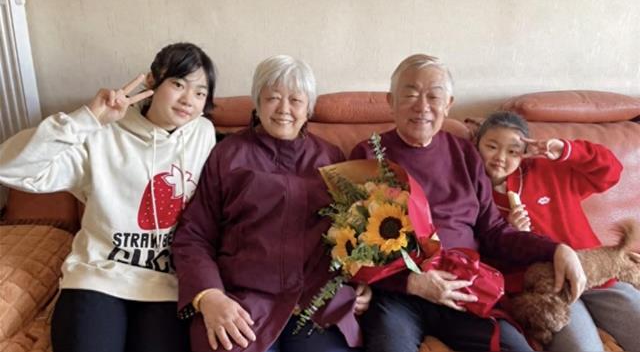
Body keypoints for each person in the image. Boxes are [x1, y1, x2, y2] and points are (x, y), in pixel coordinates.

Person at [349, 54, 587, 352]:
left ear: (448, 104)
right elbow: (354, 245)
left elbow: (494, 231)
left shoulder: (464, 154)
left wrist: (556, 248)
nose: (422, 106)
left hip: (464, 285)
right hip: (399, 294)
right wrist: (410, 282)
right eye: (410, 94)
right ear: (391, 101)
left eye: (434, 96)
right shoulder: (367, 155)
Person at [0, 42, 218, 352]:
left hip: (167, 285)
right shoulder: (102, 133)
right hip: (97, 277)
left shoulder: (203, 134)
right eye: (178, 84)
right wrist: (87, 119)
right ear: (152, 81)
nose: (188, 100)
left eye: (200, 92)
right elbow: (10, 168)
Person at [172, 55, 369, 352]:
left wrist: (363, 281)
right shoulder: (228, 154)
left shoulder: (331, 158)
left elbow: (356, 232)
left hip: (317, 302)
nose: (284, 109)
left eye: (296, 100)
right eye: (273, 98)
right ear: (257, 102)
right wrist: (209, 295)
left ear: (309, 107)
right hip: (241, 301)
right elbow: (194, 234)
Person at [476, 110, 640, 351]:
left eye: (513, 151)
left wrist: (566, 151)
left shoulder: (548, 169)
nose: (501, 157)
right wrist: (512, 235)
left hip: (592, 272)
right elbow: (484, 260)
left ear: (524, 153)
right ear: (476, 145)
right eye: (492, 147)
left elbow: (611, 171)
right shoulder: (473, 193)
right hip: (547, 292)